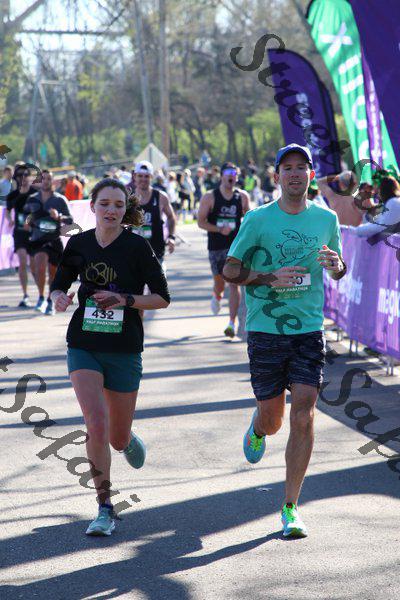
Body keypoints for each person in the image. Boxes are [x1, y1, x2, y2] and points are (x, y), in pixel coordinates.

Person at [223, 143, 346, 537]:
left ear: (311, 175)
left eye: (301, 167)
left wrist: (337, 265)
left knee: (304, 412)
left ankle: (291, 506)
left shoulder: (326, 218)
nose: (295, 174)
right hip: (266, 329)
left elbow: (338, 268)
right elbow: (229, 269)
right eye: (287, 168)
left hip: (308, 329)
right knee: (274, 419)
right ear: (277, 176)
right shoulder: (258, 219)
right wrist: (267, 278)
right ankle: (258, 428)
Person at [50, 177, 170, 536]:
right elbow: (60, 283)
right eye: (104, 204)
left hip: (124, 347)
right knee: (96, 424)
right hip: (83, 343)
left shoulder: (137, 247)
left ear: (125, 209)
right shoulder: (79, 243)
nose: (111, 210)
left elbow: (162, 297)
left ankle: (127, 439)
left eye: (118, 205)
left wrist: (125, 300)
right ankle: (104, 506)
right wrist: (59, 297)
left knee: (115, 437)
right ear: (92, 207)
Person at [198, 161, 250, 337]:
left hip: (235, 247)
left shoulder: (242, 196)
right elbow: (201, 222)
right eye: (228, 173)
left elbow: (249, 220)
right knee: (220, 283)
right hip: (216, 247)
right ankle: (217, 295)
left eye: (234, 174)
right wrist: (219, 229)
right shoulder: (210, 197)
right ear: (221, 176)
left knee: (234, 284)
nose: (231, 177)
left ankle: (231, 323)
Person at [24, 170, 73, 315]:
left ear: (53, 181)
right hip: (38, 240)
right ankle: (40, 297)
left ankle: (50, 301)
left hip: (53, 239)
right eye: (43, 179)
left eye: (48, 179)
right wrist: (27, 222)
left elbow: (70, 219)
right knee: (40, 267)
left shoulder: (60, 199)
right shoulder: (32, 199)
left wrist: (59, 217)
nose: (45, 181)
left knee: (53, 274)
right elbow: (25, 216)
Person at [5, 166, 37, 307]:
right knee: (22, 262)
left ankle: (42, 295)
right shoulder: (12, 195)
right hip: (19, 233)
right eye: (19, 176)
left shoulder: (35, 194)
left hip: (34, 234)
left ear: (30, 177)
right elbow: (7, 210)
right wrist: (9, 219)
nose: (22, 178)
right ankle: (25, 295)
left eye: (25, 175)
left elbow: (39, 210)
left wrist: (30, 221)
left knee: (34, 267)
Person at [132, 161, 176, 263]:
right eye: (140, 176)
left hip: (156, 253)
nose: (143, 179)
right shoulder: (127, 197)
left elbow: (171, 217)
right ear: (135, 176)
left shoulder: (161, 197)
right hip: (132, 253)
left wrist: (171, 237)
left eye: (146, 176)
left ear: (151, 177)